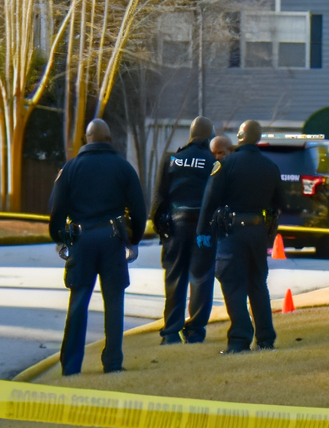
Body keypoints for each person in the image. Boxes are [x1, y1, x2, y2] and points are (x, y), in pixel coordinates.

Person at [49, 118, 147, 374]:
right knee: (114, 301)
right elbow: (138, 209)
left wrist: (59, 238)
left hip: (81, 240)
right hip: (113, 239)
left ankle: (71, 366)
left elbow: (56, 208)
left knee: (79, 300)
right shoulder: (123, 168)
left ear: (87, 138)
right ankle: (113, 363)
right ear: (109, 138)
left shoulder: (70, 169)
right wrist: (134, 239)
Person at [195, 119, 284, 354]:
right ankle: (265, 339)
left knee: (233, 284)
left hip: (232, 232)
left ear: (240, 137)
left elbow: (210, 200)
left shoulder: (226, 165)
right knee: (257, 285)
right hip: (257, 231)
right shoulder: (270, 166)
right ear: (258, 137)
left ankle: (239, 340)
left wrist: (202, 231)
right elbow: (279, 203)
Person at [151, 116, 216, 345]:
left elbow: (159, 197)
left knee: (174, 277)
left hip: (175, 225)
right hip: (202, 227)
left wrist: (161, 228)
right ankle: (195, 332)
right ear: (210, 136)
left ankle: (170, 332)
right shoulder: (213, 162)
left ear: (191, 133)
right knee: (201, 278)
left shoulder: (172, 159)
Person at [176, 134, 234, 343]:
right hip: (205, 227)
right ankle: (193, 328)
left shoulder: (222, 168)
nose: (217, 156)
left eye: (221, 152)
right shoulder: (214, 168)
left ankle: (194, 328)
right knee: (201, 278)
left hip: (216, 228)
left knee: (205, 278)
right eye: (214, 153)